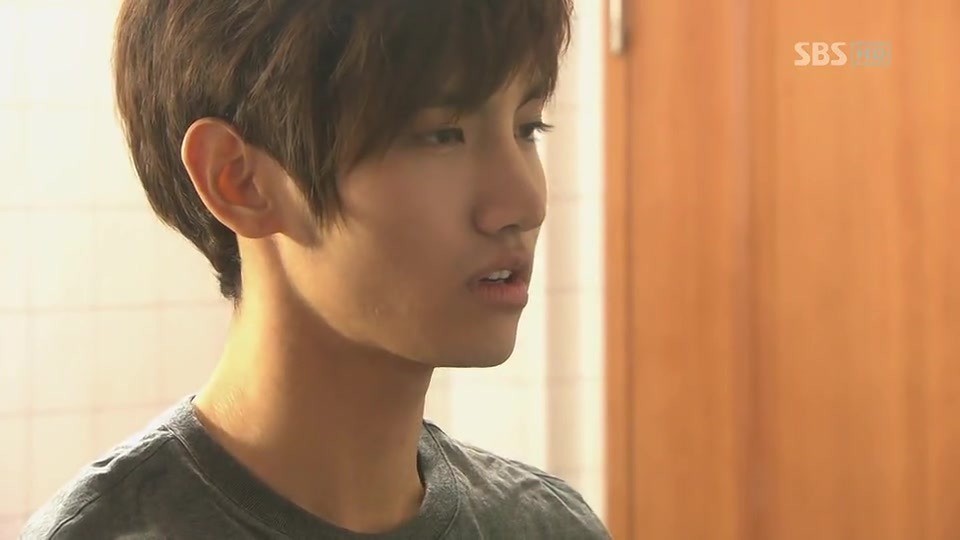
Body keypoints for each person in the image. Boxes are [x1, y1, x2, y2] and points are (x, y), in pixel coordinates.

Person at [22, 0, 610, 538]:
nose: (524, 203)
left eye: (527, 127)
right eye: (441, 135)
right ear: (239, 180)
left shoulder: (550, 527)